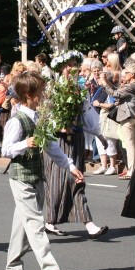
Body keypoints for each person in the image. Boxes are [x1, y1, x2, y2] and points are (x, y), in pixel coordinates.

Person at [2, 71, 83, 270]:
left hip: (36, 175)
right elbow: (5, 150)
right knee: (36, 223)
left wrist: (70, 166)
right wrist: (24, 144)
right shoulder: (17, 120)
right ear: (29, 94)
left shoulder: (39, 117)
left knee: (23, 221)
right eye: (41, 92)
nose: (44, 95)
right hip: (20, 178)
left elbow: (51, 146)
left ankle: (13, 264)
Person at [43, 52, 107, 240]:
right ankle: (50, 220)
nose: (72, 68)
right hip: (57, 141)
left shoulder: (81, 89)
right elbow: (44, 116)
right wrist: (59, 127)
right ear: (61, 68)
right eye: (68, 65)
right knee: (57, 182)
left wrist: (98, 134)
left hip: (76, 138)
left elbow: (88, 114)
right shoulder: (52, 89)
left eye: (74, 65)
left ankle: (89, 224)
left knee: (76, 180)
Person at [100, 61, 135, 180]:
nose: (124, 75)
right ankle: (132, 168)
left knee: (129, 144)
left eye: (126, 73)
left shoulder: (131, 86)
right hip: (128, 117)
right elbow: (117, 89)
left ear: (132, 74)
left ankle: (132, 170)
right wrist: (107, 81)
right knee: (128, 144)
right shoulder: (133, 85)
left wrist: (103, 84)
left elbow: (115, 93)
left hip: (128, 118)